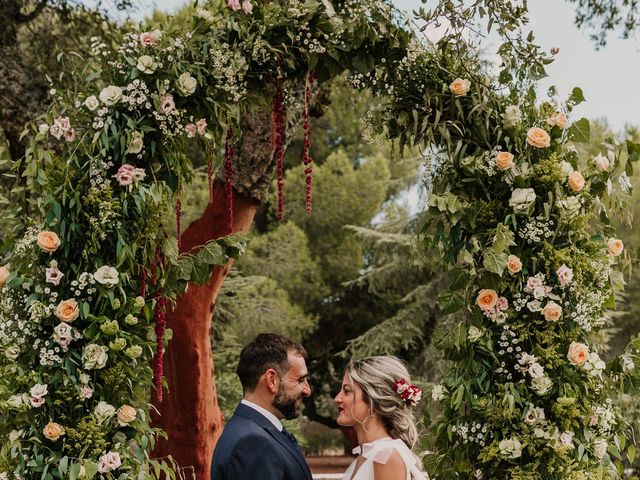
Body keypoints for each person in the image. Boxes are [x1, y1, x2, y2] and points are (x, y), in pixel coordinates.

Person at [210, 333, 313, 480]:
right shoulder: (252, 444)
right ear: (272, 380)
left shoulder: (249, 432)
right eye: (300, 380)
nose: (307, 390)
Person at [334, 356, 429, 480]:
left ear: (373, 400)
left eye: (347, 391)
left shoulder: (386, 456)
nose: (337, 398)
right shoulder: (367, 455)